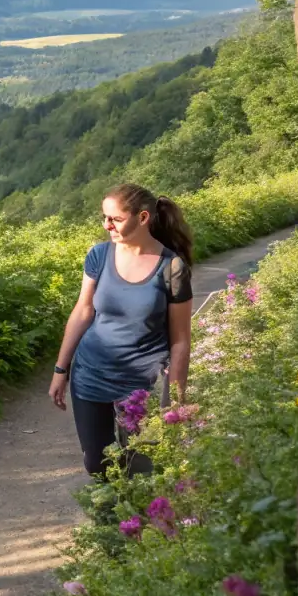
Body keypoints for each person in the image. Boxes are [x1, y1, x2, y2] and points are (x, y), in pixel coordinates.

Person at [48, 183, 194, 476]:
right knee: (97, 464)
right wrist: (60, 369)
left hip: (143, 383)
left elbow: (180, 341)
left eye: (114, 218)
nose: (106, 225)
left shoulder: (172, 268)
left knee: (142, 466)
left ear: (142, 218)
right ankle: (111, 520)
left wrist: (175, 400)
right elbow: (83, 311)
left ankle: (139, 520)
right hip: (90, 374)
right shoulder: (99, 256)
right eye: (104, 217)